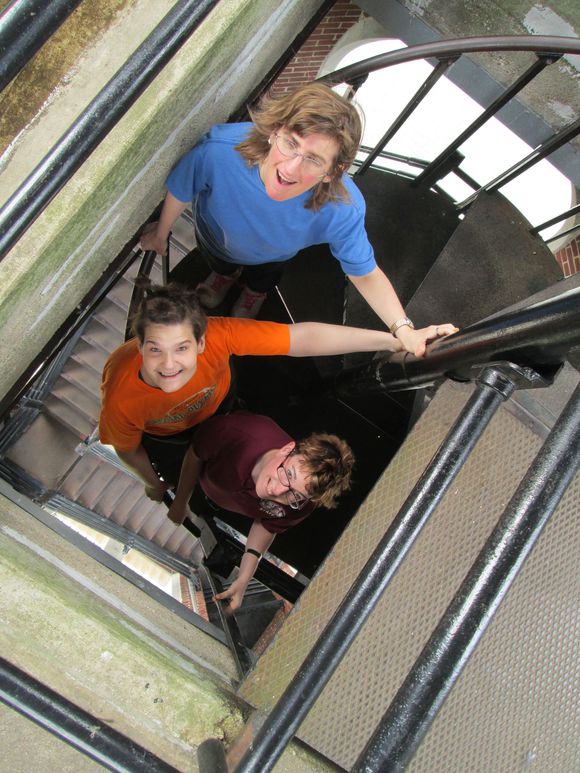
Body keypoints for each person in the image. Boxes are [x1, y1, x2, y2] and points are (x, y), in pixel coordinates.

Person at [140, 83, 457, 354]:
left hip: (274, 256)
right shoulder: (221, 152)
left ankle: (255, 293)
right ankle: (223, 278)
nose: (290, 169)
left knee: (264, 275)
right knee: (220, 264)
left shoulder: (341, 209)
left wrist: (403, 330)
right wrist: (161, 232)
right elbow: (183, 187)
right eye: (291, 143)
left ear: (331, 172)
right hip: (215, 239)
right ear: (275, 131)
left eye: (313, 159)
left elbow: (365, 273)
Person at [98, 280, 403, 504]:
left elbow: (301, 337)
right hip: (169, 433)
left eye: (182, 348)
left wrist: (393, 341)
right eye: (155, 349)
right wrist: (152, 484)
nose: (168, 364)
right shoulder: (120, 401)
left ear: (202, 342)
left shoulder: (219, 334)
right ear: (139, 346)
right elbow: (129, 449)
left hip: (223, 398)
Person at [166, 410, 355, 611]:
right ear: (287, 450)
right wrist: (180, 500)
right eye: (288, 473)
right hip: (192, 472)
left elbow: (268, 524)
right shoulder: (237, 432)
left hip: (222, 500)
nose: (276, 491)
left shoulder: (301, 503)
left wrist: (244, 578)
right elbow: (195, 452)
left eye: (295, 494)